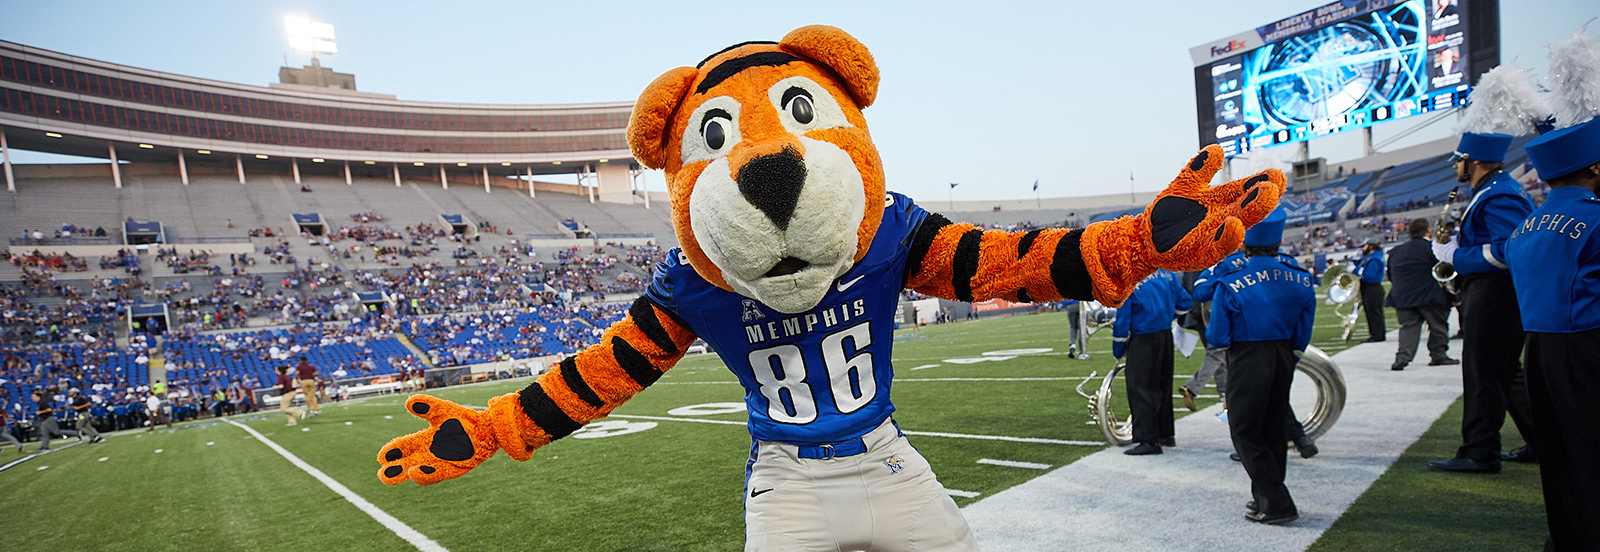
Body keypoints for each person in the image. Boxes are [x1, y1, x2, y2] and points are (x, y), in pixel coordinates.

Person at [1506, 105, 1600, 551]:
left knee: (1559, 451)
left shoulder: (1523, 229)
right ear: (1595, 167)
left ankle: (1568, 535)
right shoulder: (1596, 219)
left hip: (1541, 350)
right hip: (1589, 345)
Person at [1428, 132, 1538, 473]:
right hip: (1496, 294)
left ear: (1473, 161)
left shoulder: (1500, 194)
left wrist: (1456, 256)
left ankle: (1480, 451)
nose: (1456, 168)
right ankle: (1543, 440)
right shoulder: (1493, 190)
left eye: (1459, 161)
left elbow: (1510, 249)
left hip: (1494, 294)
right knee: (1506, 373)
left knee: (1482, 373)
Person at [1206, 207, 1316, 525]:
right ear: (1278, 241)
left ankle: (1278, 502)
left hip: (1246, 357)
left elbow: (1217, 335)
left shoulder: (1230, 282)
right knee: (1273, 429)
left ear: (1245, 243)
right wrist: (1290, 354)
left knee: (1244, 431)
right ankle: (1264, 498)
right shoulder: (1301, 279)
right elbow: (1303, 332)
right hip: (1284, 354)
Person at [1112, 270, 1191, 455]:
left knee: (1141, 389)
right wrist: (1165, 317)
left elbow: (1123, 320)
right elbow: (1185, 302)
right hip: (1164, 335)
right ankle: (1166, 435)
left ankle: (1148, 440)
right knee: (1162, 386)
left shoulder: (1130, 278)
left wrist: (1118, 349)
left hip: (1143, 338)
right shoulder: (1167, 274)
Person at [1385, 219, 1457, 370]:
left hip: (1403, 296)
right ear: (1428, 231)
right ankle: (1438, 355)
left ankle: (1402, 357)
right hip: (1430, 295)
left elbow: (1391, 275)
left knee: (1408, 328)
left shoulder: (1396, 251)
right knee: (1438, 327)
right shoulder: (1432, 247)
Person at [1355, 238, 1386, 342]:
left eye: (1364, 246)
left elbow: (1369, 275)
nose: (1362, 249)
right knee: (1371, 312)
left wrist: (1356, 270)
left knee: (1374, 312)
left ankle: (1377, 335)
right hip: (1369, 287)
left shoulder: (1374, 259)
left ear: (1371, 246)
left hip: (1372, 287)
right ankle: (1376, 334)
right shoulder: (1371, 257)